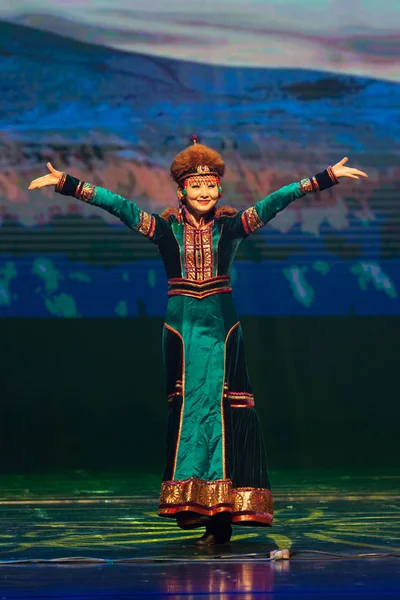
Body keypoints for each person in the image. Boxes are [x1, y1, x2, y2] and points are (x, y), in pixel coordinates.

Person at [28, 136, 368, 545]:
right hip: (181, 331)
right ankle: (201, 508)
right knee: (191, 416)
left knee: (224, 413)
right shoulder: (164, 230)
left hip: (222, 330)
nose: (204, 192)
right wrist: (67, 183)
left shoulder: (232, 227)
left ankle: (222, 518)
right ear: (182, 190)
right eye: (196, 185)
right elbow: (119, 205)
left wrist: (324, 178)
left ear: (218, 189)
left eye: (210, 185)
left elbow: (277, 201)